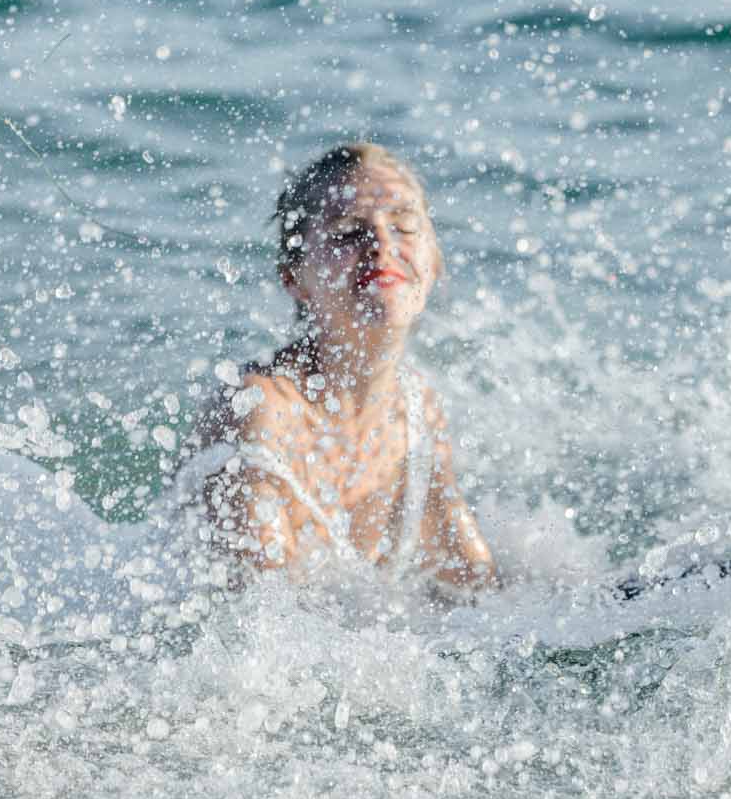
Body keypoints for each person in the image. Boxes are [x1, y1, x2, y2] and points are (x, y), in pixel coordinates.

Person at [178, 143, 499, 597]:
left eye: (405, 227)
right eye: (348, 233)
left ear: (435, 264)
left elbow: (477, 584)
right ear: (294, 278)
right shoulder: (258, 411)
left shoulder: (416, 406)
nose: (383, 245)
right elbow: (263, 620)